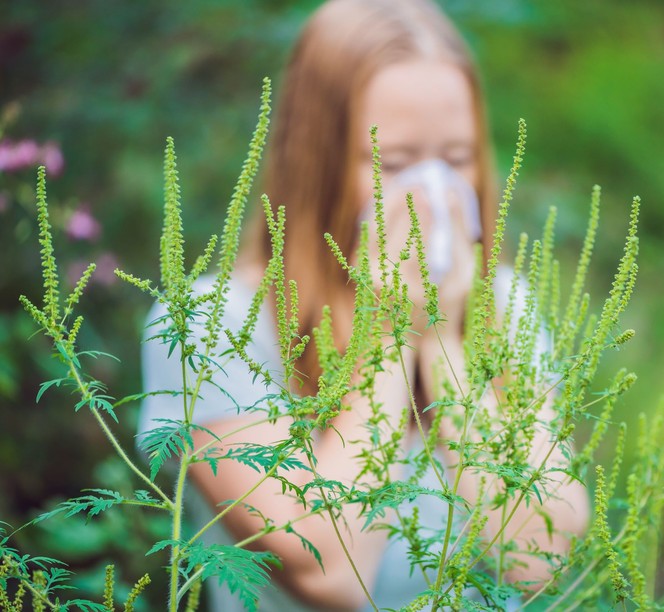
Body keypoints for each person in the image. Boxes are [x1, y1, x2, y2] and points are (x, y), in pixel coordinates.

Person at [140, 0, 589, 609]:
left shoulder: (506, 304)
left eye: (455, 160)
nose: (431, 192)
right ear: (316, 163)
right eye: (396, 164)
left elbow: (537, 561)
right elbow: (330, 571)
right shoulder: (208, 327)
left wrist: (443, 341)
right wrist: (393, 331)